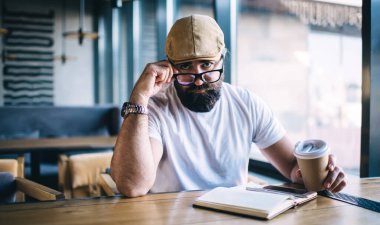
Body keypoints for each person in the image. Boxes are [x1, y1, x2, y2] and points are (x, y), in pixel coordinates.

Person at [111, 14, 346, 197]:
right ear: (169, 67)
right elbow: (133, 186)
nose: (198, 79)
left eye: (206, 64)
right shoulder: (154, 109)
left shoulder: (247, 104)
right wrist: (139, 98)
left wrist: (316, 174)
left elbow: (293, 167)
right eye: (185, 67)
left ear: (222, 58)